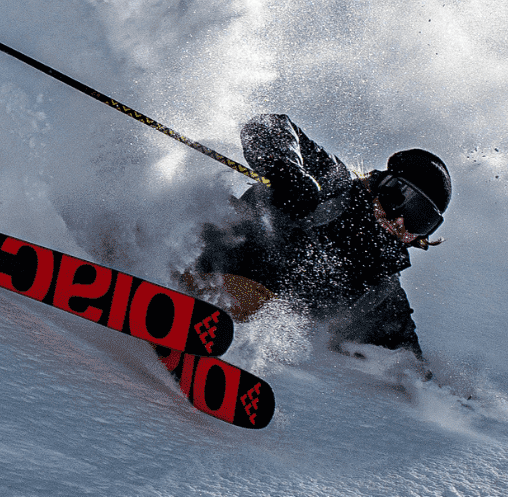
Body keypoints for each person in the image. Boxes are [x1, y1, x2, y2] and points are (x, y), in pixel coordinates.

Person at [191, 114, 452, 362]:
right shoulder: (333, 186)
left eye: (421, 222)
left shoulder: (380, 288)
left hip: (247, 330)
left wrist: (439, 395)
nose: (400, 222)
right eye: (401, 199)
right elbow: (269, 125)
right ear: (383, 184)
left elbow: (403, 357)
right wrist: (286, 169)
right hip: (213, 259)